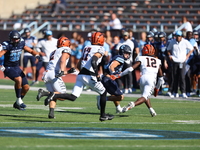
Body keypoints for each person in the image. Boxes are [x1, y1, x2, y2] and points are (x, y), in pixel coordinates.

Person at [40, 32, 114, 122]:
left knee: (73, 96)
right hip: (89, 75)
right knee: (103, 92)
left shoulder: (87, 47)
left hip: (81, 75)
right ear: (100, 39)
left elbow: (80, 62)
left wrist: (80, 71)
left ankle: (52, 94)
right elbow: (94, 61)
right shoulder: (100, 48)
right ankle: (103, 115)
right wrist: (96, 74)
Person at [112, 44, 164, 117]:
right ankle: (132, 104)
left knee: (144, 96)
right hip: (151, 79)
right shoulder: (157, 61)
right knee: (145, 97)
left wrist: (120, 75)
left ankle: (151, 110)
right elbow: (161, 78)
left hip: (142, 78)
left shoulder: (141, 58)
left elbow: (131, 69)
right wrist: (157, 88)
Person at [0, 30, 40, 110]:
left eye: (17, 39)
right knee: (18, 79)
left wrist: (36, 54)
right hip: (8, 67)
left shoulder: (21, 43)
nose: (15, 40)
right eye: (14, 39)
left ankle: (17, 103)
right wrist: (1, 65)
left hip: (16, 67)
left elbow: (30, 50)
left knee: (26, 87)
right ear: (10, 39)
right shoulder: (7, 45)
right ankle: (19, 100)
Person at [36, 37, 75, 118]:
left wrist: (68, 72)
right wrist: (63, 70)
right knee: (62, 95)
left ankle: (51, 114)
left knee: (54, 95)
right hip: (54, 74)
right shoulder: (66, 49)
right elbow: (62, 60)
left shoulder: (54, 51)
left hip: (46, 74)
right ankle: (44, 93)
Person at [100, 44, 132, 113]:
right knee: (120, 97)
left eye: (129, 54)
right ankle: (102, 99)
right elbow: (111, 67)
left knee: (114, 94)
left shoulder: (118, 57)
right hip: (108, 79)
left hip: (106, 78)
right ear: (122, 52)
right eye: (126, 53)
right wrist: (114, 73)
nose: (128, 55)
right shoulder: (120, 58)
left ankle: (118, 108)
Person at [167, 30, 194, 98]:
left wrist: (187, 56)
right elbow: (168, 49)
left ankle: (183, 92)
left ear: (181, 36)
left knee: (182, 77)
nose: (177, 37)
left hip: (182, 61)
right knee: (174, 77)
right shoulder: (172, 42)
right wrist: (170, 56)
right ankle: (175, 92)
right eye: (176, 36)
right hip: (175, 61)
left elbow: (191, 49)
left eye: (179, 36)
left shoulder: (185, 42)